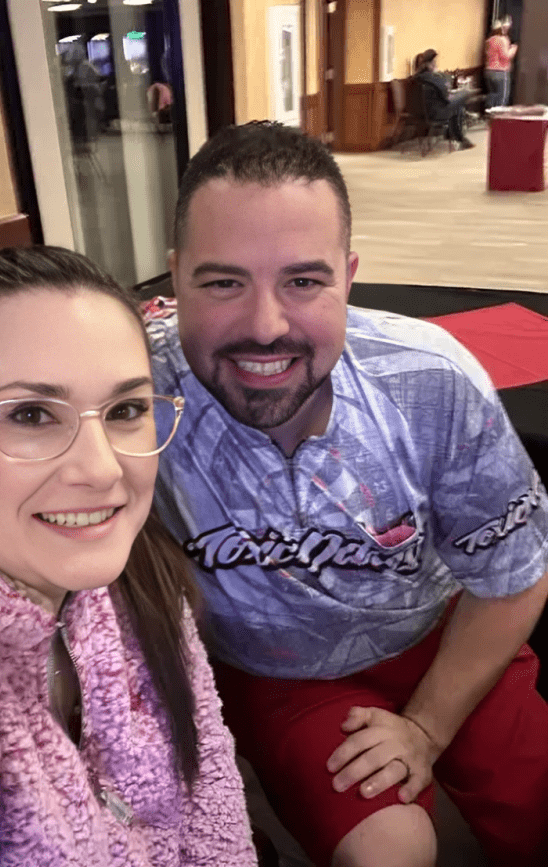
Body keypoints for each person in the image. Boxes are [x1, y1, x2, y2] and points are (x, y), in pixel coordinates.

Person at [145, 121, 548, 867]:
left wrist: (426, 724)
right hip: (280, 669)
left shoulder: (431, 384)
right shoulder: (131, 393)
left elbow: (515, 578)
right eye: (223, 281)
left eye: (303, 280)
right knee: (391, 851)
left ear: (349, 274)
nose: (265, 326)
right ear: (174, 279)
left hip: (441, 628)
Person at [0, 246, 257, 867]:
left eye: (125, 410)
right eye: (32, 415)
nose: (99, 469)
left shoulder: (140, 573)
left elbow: (210, 788)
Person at [413, 49, 475, 149]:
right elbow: (446, 97)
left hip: (421, 114)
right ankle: (457, 137)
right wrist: (437, 74)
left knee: (457, 106)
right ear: (429, 64)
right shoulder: (432, 78)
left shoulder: (416, 79)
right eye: (434, 62)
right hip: (436, 113)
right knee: (464, 93)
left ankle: (456, 136)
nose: (435, 64)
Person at [484, 17, 518, 108]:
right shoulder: (503, 39)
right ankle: (498, 119)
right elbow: (505, 57)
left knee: (492, 96)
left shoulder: (489, 40)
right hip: (501, 72)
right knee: (502, 99)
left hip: (489, 72)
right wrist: (514, 48)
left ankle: (488, 117)